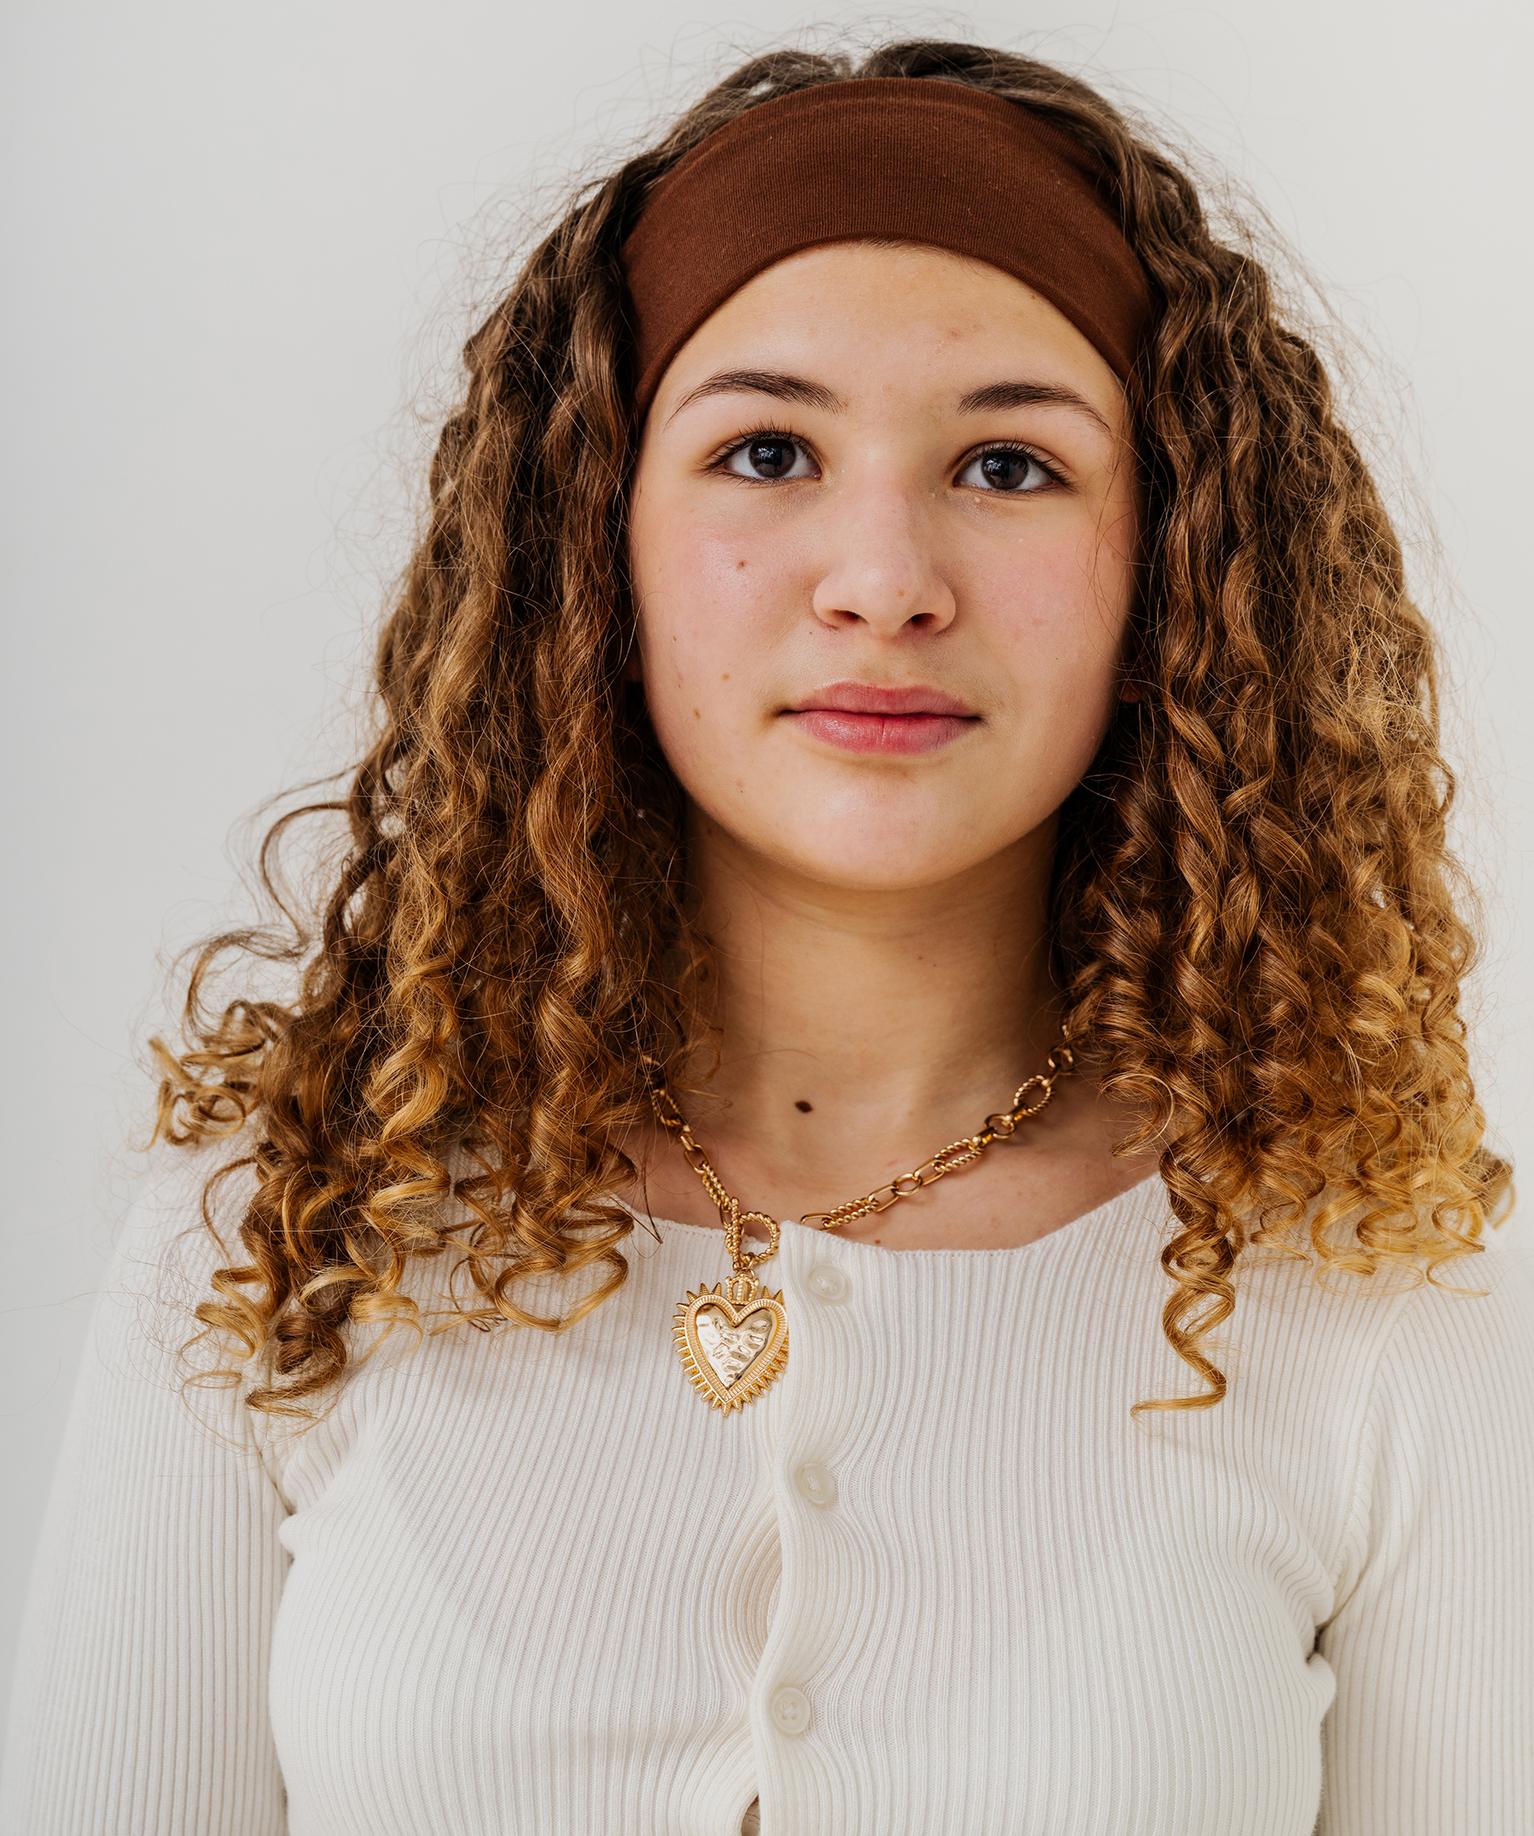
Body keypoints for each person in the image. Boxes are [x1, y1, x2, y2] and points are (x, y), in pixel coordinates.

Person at [3, 36, 1531, 1836]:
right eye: (765, 450)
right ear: (598, 546)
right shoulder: (286, 1231)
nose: (882, 580)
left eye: (1010, 466)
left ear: (1170, 567)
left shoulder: (1377, 1291)